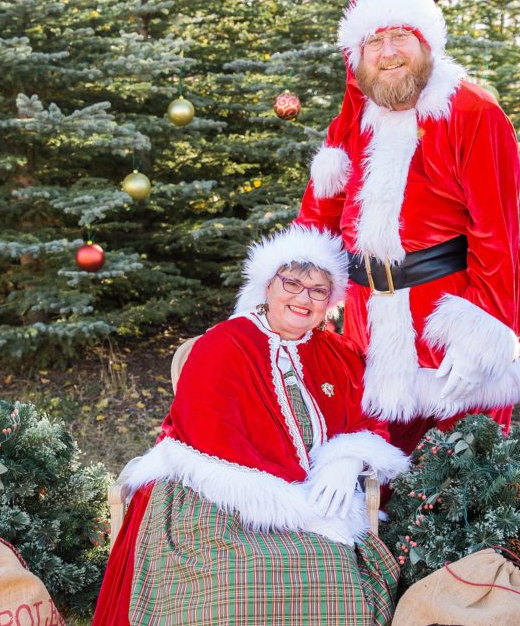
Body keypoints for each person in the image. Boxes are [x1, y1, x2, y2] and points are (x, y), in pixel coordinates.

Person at [295, 0, 520, 455]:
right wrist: (295, 294)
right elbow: (319, 217)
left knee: (463, 480)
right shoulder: (355, 120)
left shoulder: (473, 113)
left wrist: (481, 335)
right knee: (371, 469)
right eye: (374, 41)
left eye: (399, 35)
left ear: (426, 44)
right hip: (367, 325)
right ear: (358, 58)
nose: (388, 51)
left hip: (449, 318)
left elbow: (497, 237)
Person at [92, 225, 410, 626]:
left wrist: (347, 458)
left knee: (328, 565)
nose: (302, 298)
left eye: (317, 291)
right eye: (292, 283)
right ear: (268, 286)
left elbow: (370, 418)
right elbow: (204, 430)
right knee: (227, 581)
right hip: (213, 494)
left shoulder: (341, 354)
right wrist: (290, 500)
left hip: (315, 497)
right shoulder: (224, 343)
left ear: (330, 302)